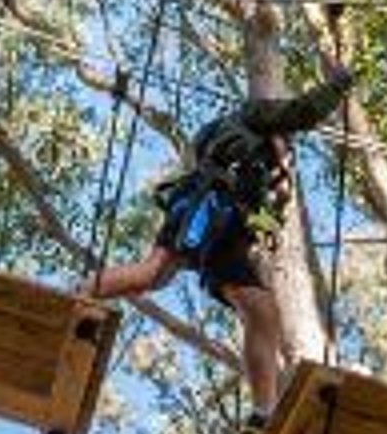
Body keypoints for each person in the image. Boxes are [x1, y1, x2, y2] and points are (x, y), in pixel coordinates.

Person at [84, 68, 354, 330]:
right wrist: (337, 86)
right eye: (287, 149)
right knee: (155, 273)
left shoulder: (263, 174)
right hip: (208, 200)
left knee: (262, 313)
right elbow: (302, 111)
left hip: (231, 230)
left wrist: (273, 217)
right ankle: (81, 294)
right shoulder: (257, 118)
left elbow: (259, 216)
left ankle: (265, 367)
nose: (286, 159)